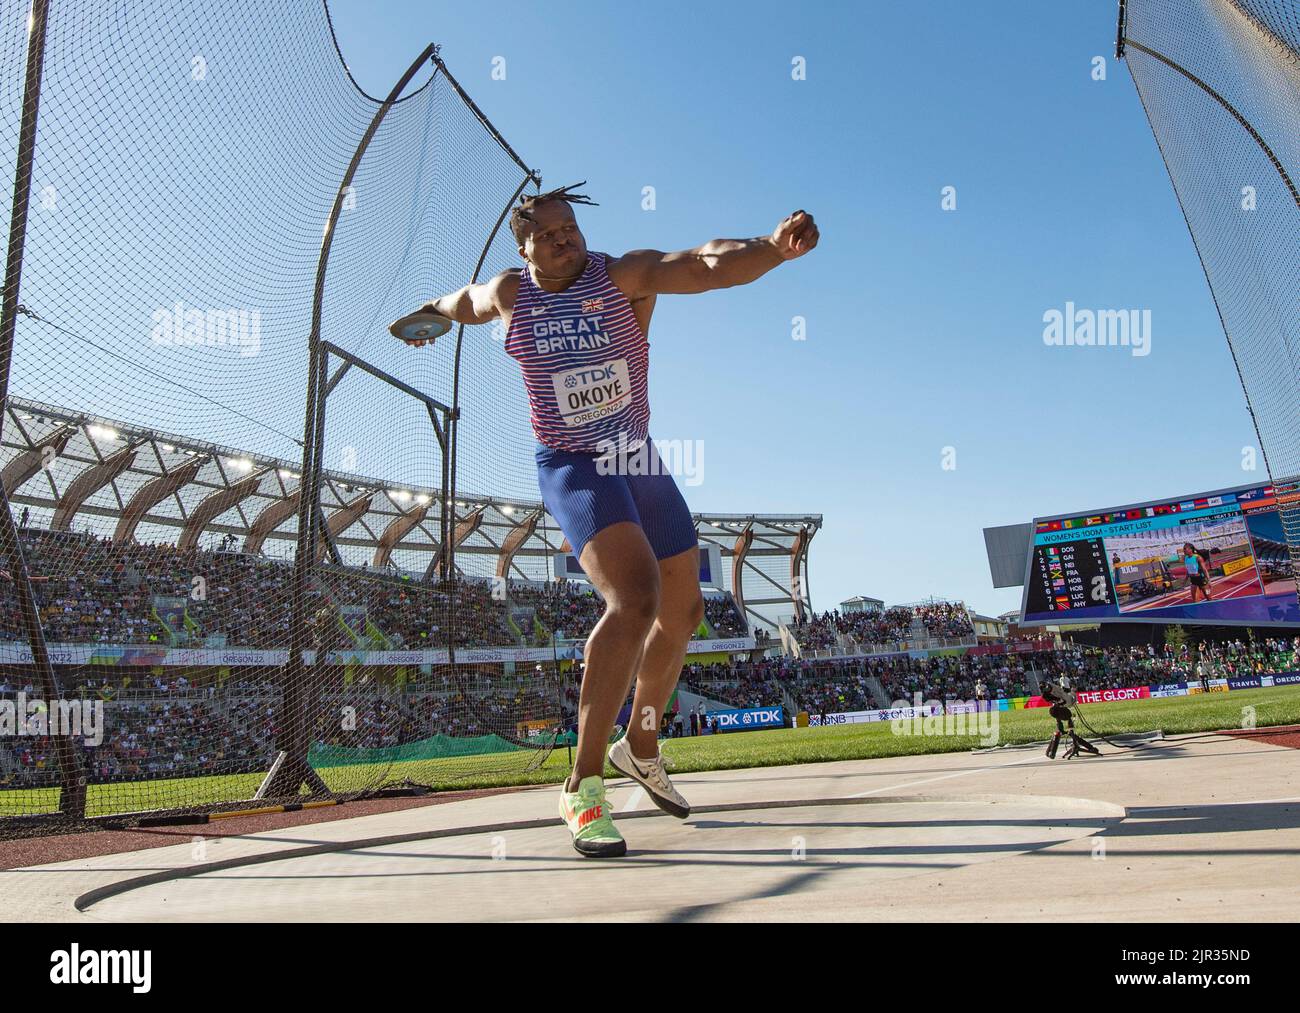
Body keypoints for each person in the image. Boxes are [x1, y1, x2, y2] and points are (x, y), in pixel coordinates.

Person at [397, 184, 818, 857]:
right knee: (634, 598)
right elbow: (465, 301)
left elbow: (704, 264)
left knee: (681, 615)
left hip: (637, 458)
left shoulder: (620, 276)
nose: (567, 239)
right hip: (574, 463)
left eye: (571, 227)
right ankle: (582, 784)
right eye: (550, 233)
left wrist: (771, 249)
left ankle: (641, 742)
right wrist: (430, 312)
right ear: (523, 246)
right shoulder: (513, 294)